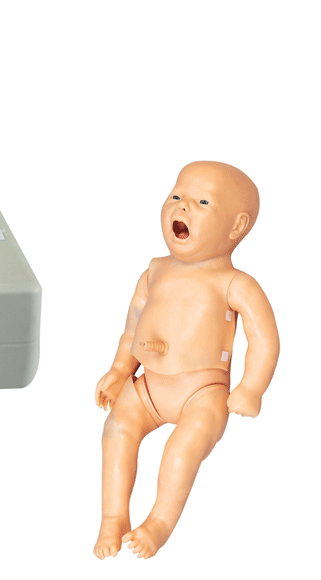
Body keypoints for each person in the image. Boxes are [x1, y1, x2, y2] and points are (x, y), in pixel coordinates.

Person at [93, 161, 280, 559]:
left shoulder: (235, 284)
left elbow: (264, 338)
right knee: (116, 430)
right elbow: (132, 327)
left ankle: (159, 523)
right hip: (148, 387)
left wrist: (251, 388)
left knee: (181, 450)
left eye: (202, 202)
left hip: (203, 394)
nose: (182, 206)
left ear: (236, 226)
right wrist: (120, 369)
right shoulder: (154, 271)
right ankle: (113, 518)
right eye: (176, 196)